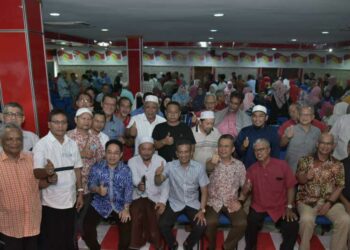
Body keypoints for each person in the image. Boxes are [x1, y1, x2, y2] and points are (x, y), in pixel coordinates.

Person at [33, 109, 84, 250]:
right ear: (49, 124)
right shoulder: (42, 145)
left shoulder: (72, 143)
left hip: (71, 199)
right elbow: (36, 172)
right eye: (56, 122)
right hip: (51, 202)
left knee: (69, 235)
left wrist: (80, 192)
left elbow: (77, 169)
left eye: (63, 122)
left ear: (67, 124)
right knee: (52, 239)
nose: (60, 126)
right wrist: (47, 172)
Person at [296, 133, 350, 250]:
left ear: (333, 146)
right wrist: (306, 177)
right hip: (307, 201)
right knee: (307, 220)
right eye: (323, 143)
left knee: (345, 219)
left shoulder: (338, 164)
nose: (325, 146)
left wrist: (328, 203)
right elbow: (299, 179)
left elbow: (340, 187)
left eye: (329, 143)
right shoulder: (305, 160)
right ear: (317, 144)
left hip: (329, 201)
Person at [242, 139, 298, 250]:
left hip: (281, 206)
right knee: (251, 224)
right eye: (256, 150)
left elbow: (291, 186)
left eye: (261, 149)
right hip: (259, 206)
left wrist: (289, 206)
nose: (258, 152)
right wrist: (246, 189)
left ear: (269, 150)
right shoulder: (252, 169)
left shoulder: (282, 165)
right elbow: (244, 192)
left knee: (292, 225)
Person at [155, 140, 209, 250]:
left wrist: (202, 210)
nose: (183, 155)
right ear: (177, 153)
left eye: (186, 152)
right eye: (181, 152)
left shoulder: (199, 167)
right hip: (175, 202)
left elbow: (204, 191)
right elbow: (158, 182)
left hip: (192, 203)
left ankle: (188, 245)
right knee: (162, 224)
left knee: (201, 225)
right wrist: (157, 175)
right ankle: (173, 244)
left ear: (191, 153)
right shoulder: (170, 166)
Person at [83, 140, 132, 250]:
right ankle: (95, 248)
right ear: (105, 153)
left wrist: (126, 209)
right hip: (100, 203)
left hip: (119, 205)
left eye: (116, 153)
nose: (112, 156)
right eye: (109, 152)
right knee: (87, 227)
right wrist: (98, 190)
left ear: (121, 155)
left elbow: (128, 190)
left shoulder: (126, 170)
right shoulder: (97, 167)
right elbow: (91, 184)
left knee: (126, 237)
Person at [0, 123, 41, 250]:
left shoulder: (32, 158)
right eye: (10, 139)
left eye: (18, 139)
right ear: (1, 141)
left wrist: (51, 177)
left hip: (32, 224)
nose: (15, 142)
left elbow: (41, 184)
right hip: (9, 227)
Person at [67, 108, 105, 244]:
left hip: (88, 187)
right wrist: (80, 154)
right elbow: (61, 159)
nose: (86, 121)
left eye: (89, 119)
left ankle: (82, 240)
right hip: (70, 186)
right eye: (83, 118)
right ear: (76, 120)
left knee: (82, 219)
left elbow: (101, 159)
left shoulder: (95, 138)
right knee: (71, 220)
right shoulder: (68, 137)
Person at [205, 134, 247, 250]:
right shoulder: (211, 161)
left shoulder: (239, 165)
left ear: (233, 149)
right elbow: (208, 169)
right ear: (217, 148)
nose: (223, 149)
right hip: (213, 202)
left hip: (231, 201)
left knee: (242, 223)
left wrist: (240, 201)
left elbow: (245, 188)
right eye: (221, 146)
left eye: (226, 146)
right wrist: (212, 164)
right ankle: (211, 246)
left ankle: (227, 247)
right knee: (210, 222)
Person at [128, 137, 169, 249]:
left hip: (156, 196)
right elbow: (134, 179)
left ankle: (150, 239)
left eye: (149, 149)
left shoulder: (161, 161)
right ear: (139, 149)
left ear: (154, 149)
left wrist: (162, 202)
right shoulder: (132, 161)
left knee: (153, 211)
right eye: (143, 149)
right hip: (138, 196)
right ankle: (139, 242)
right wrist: (139, 184)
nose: (146, 152)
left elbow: (166, 185)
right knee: (137, 211)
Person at [280, 104, 321, 172]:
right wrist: (287, 137)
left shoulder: (317, 131)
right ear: (299, 116)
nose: (304, 117)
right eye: (302, 114)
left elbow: (318, 149)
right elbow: (281, 144)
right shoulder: (291, 129)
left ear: (312, 117)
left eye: (307, 115)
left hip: (308, 170)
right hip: (291, 168)